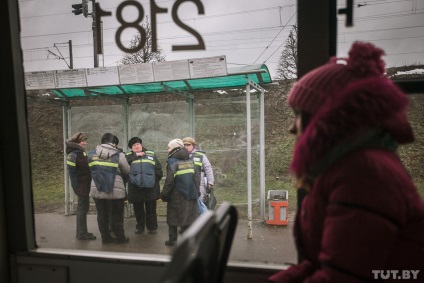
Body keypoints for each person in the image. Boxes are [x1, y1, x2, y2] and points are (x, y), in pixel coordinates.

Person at [267, 41, 424, 282]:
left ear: (327, 119)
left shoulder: (363, 175)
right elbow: (321, 263)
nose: (291, 128)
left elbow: (338, 277)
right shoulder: (351, 166)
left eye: (299, 115)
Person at [88, 133, 130, 244]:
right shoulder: (119, 155)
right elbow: (127, 170)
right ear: (114, 144)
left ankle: (105, 239)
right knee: (116, 215)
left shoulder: (91, 154)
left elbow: (90, 170)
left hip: (97, 188)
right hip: (116, 190)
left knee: (102, 215)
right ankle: (120, 238)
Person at [160, 138, 200, 246]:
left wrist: (164, 194)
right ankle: (186, 241)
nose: (168, 150)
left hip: (176, 195)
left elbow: (169, 181)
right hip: (190, 193)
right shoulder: (191, 160)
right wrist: (197, 192)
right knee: (188, 217)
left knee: (173, 216)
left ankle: (172, 240)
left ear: (174, 148)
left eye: (169, 147)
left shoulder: (172, 162)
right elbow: (196, 178)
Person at [126, 136, 163, 234]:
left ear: (141, 145)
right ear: (131, 148)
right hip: (135, 187)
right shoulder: (128, 156)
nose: (136, 146)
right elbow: (124, 166)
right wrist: (136, 156)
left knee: (151, 208)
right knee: (138, 209)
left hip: (150, 187)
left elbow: (158, 169)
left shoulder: (151, 154)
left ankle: (152, 227)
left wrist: (154, 180)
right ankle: (140, 227)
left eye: (138, 144)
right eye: (134, 145)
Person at [65, 132, 96, 241]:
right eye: (83, 141)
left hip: (84, 184)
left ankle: (82, 232)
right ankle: (81, 233)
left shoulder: (79, 152)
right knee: (82, 209)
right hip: (81, 185)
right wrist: (76, 187)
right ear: (77, 142)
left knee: (84, 208)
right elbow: (72, 173)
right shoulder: (73, 154)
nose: (85, 143)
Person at [182, 137, 215, 208]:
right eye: (184, 145)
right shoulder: (182, 156)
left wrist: (210, 182)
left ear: (193, 145)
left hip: (200, 183)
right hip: (185, 183)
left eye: (188, 145)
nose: (186, 147)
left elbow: (208, 168)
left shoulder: (200, 155)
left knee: (199, 203)